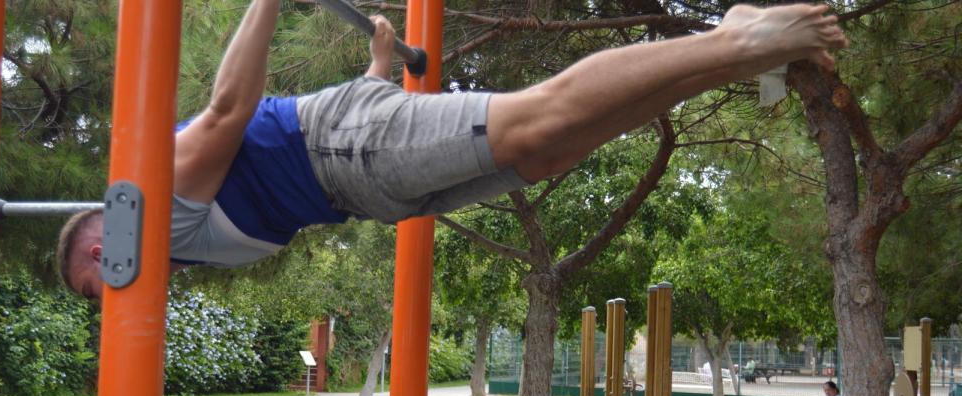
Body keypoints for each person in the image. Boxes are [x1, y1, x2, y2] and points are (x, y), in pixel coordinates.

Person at [57, 1, 848, 301]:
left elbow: (231, 111)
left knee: (537, 119)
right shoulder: (177, 249)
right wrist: (376, 72)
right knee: (551, 152)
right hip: (356, 181)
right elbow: (274, 164)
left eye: (99, 284)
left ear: (100, 242)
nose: (115, 292)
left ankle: (736, 39)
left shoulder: (150, 200)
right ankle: (730, 55)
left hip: (341, 151)